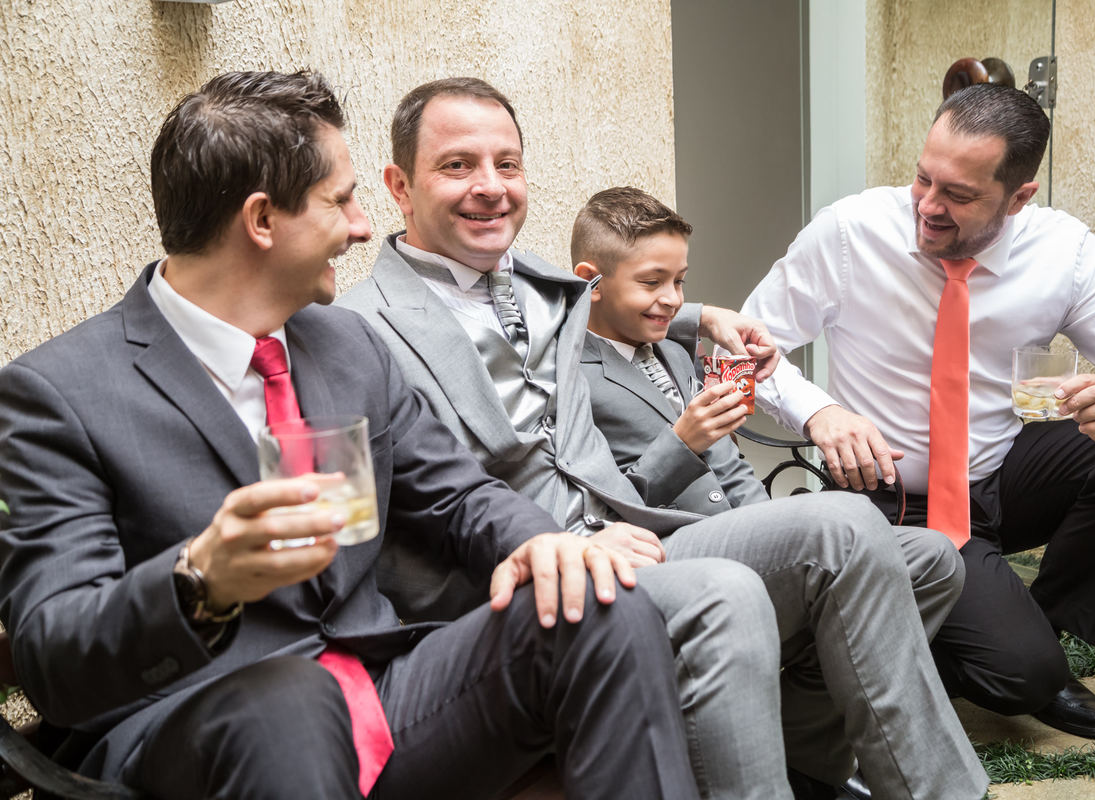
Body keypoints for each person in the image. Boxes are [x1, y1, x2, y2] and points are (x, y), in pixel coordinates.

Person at [0, 70, 702, 800]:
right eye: (341, 200)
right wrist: (197, 583)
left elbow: (456, 496)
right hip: (199, 726)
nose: (365, 225)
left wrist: (538, 542)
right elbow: (55, 652)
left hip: (382, 694)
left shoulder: (347, 347)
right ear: (262, 220)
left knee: (598, 601)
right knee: (290, 702)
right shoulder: (59, 393)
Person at [339, 77, 988, 800]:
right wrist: (557, 548)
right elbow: (404, 522)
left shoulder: (539, 286)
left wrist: (709, 317)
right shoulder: (362, 327)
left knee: (852, 524)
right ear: (400, 185)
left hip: (634, 532)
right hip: (519, 586)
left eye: (508, 164)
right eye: (457, 165)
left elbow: (617, 288)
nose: (491, 187)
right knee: (730, 589)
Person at [743, 83, 1095, 739]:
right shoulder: (850, 232)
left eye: (957, 195)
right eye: (922, 180)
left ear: (1018, 198)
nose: (927, 207)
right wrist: (819, 413)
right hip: (891, 497)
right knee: (1021, 678)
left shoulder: (1063, 251)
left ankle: (1036, 628)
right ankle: (1013, 655)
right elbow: (742, 349)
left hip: (1000, 477)